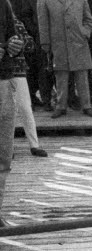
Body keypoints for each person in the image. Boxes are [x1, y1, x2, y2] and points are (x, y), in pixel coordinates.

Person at [38, 0, 92, 118]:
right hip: (58, 42)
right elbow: (43, 21)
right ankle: (61, 106)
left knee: (82, 75)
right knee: (61, 75)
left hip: (78, 42)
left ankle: (87, 106)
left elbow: (88, 19)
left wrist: (85, 33)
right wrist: (45, 42)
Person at [0, 0, 25, 225]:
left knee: (3, 155)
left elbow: (14, 37)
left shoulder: (2, 0)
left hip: (3, 82)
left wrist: (14, 44)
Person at [8, 14, 47, 157]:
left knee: (25, 108)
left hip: (17, 71)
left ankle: (34, 145)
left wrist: (18, 42)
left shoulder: (15, 22)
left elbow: (30, 44)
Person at [19, 0, 52, 109]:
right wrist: (36, 32)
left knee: (59, 68)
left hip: (57, 35)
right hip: (39, 36)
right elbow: (26, 16)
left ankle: (64, 99)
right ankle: (46, 101)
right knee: (43, 69)